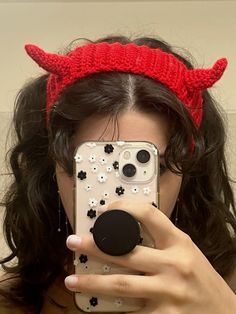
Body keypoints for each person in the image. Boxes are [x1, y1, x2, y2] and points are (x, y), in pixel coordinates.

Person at [0, 34, 236, 314]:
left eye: (151, 168)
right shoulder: (10, 300)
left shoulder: (228, 285)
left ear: (189, 171)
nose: (117, 204)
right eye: (87, 168)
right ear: (51, 170)